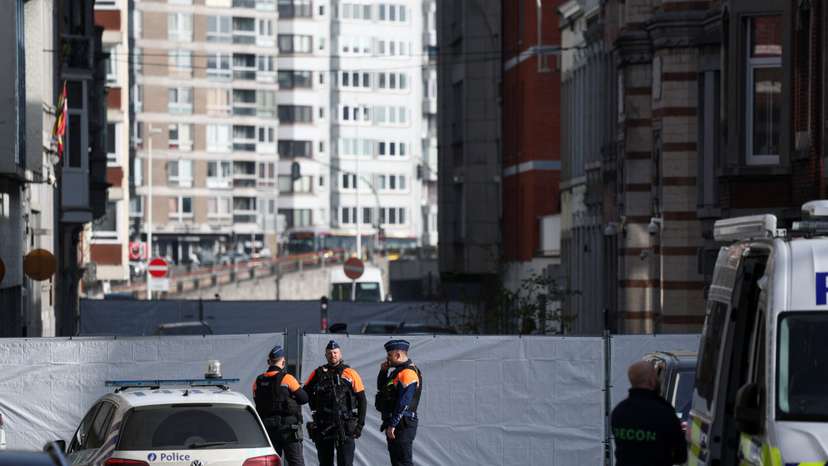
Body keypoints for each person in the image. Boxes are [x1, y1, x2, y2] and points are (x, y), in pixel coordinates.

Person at [611, 360, 687, 466]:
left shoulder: (619, 412)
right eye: (656, 376)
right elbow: (681, 456)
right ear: (651, 381)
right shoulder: (664, 412)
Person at [304, 340, 367, 466]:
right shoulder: (318, 373)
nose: (333, 355)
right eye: (330, 353)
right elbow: (305, 393)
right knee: (325, 462)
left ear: (340, 354)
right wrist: (314, 409)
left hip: (344, 425)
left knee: (345, 462)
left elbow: (362, 400)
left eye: (335, 352)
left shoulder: (351, 373)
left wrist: (360, 425)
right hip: (324, 425)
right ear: (326, 355)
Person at [253, 345, 308, 466]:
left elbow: (257, 399)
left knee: (272, 463)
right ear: (283, 361)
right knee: (296, 462)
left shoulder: (258, 380)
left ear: (269, 362)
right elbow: (304, 398)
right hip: (288, 430)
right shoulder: (287, 378)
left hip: (268, 429)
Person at [375, 339, 422, 466]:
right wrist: (383, 372)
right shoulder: (397, 372)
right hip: (395, 422)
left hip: (403, 423)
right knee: (396, 461)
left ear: (398, 355)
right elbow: (382, 389)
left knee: (403, 460)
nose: (387, 359)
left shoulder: (408, 372)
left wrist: (393, 424)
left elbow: (404, 402)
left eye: (389, 355)